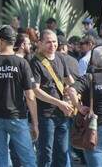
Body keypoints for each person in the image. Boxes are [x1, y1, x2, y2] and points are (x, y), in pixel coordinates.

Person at [0, 25, 38, 167]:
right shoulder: (22, 63)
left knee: (1, 158)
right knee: (28, 158)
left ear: (0, 41)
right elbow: (30, 96)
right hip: (17, 117)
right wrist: (35, 124)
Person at [67, 46, 102, 166]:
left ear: (93, 61)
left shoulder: (89, 77)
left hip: (95, 128)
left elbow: (71, 90)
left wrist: (79, 106)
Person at [30, 29, 74, 167]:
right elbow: (35, 90)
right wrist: (59, 102)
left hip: (63, 114)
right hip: (45, 115)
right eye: (48, 42)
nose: (53, 45)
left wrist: (73, 96)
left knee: (61, 153)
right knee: (45, 154)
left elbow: (69, 81)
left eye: (54, 41)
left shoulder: (61, 58)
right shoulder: (35, 62)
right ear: (40, 43)